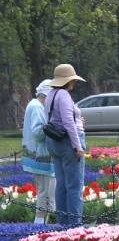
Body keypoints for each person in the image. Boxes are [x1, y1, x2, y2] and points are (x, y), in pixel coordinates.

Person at [43, 64, 86, 226]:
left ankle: (63, 223)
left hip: (54, 142)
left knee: (61, 185)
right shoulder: (64, 95)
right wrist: (78, 147)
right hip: (68, 142)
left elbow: (54, 118)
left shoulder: (50, 94)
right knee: (74, 187)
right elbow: (68, 123)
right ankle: (75, 225)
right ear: (68, 81)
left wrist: (77, 120)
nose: (74, 83)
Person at [21, 80, 55, 224]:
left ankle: (41, 222)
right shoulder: (37, 107)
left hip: (38, 156)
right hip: (41, 156)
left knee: (44, 190)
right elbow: (37, 132)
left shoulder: (33, 105)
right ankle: (41, 224)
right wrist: (52, 127)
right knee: (46, 192)